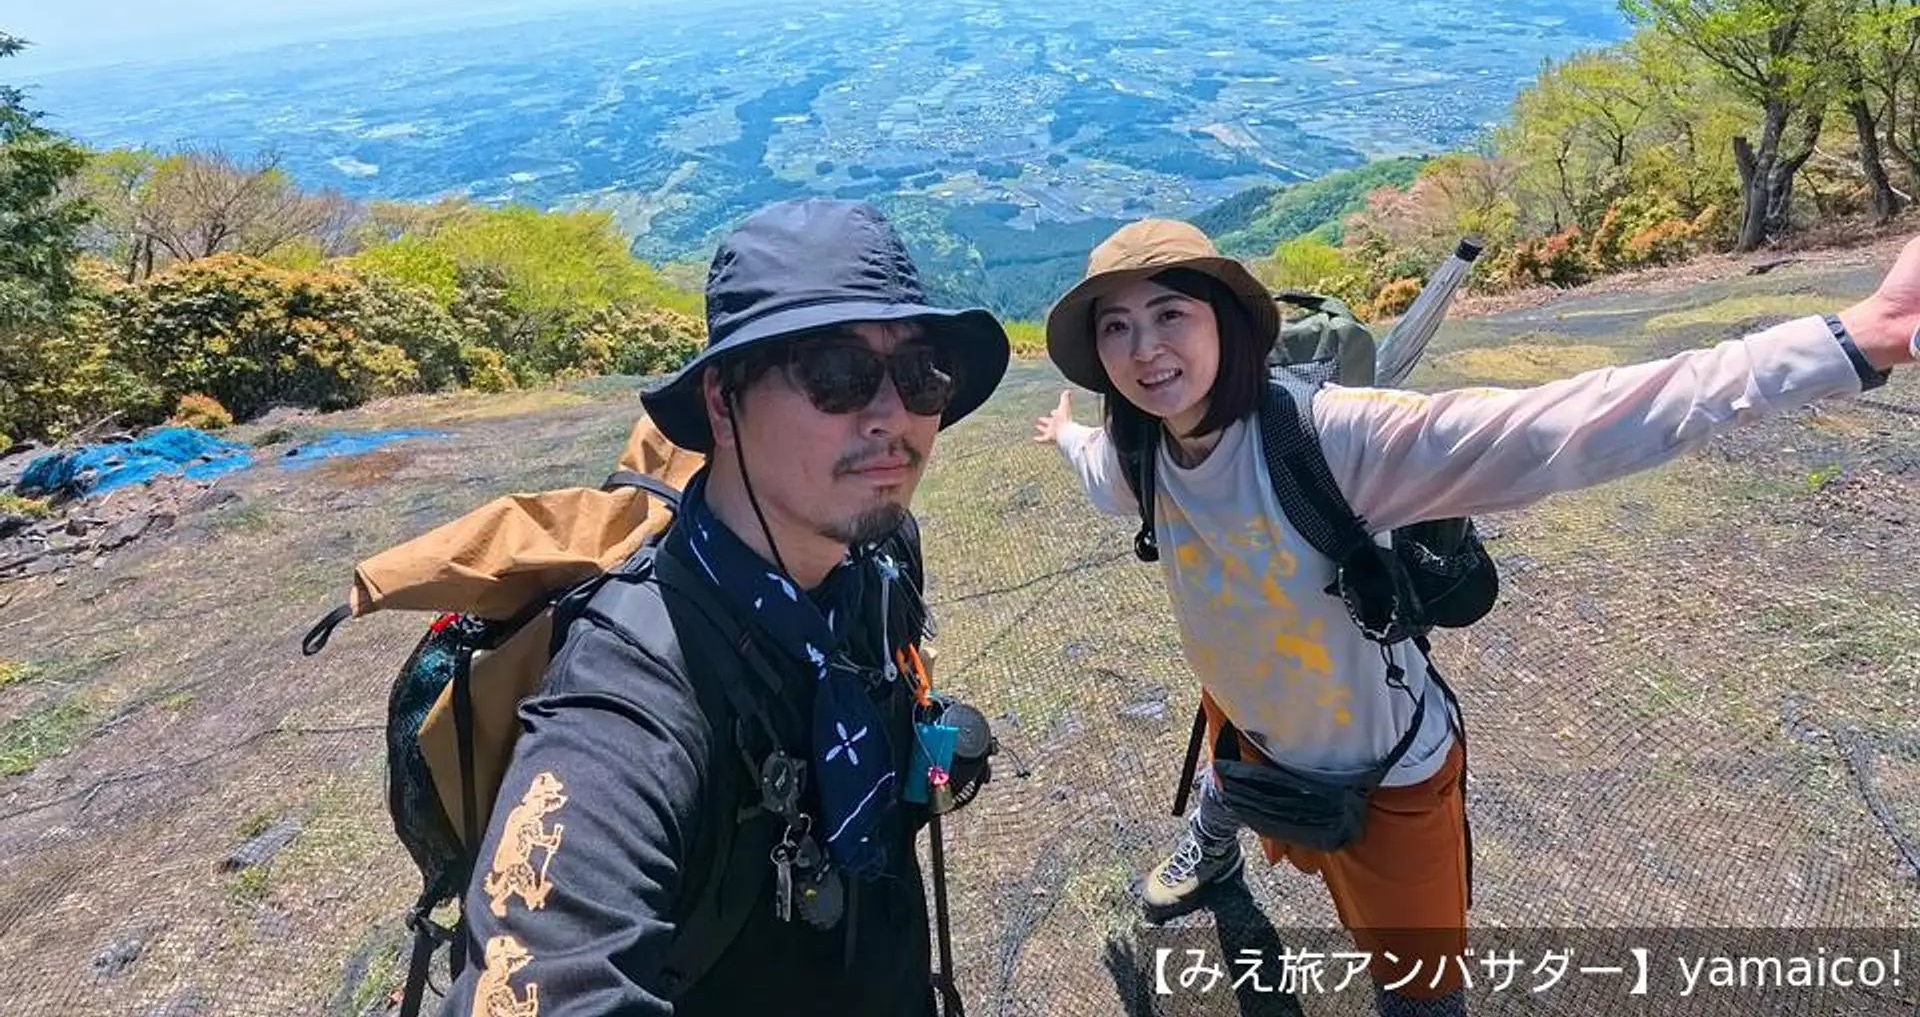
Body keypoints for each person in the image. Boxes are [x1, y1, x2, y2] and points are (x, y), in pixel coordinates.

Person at [1033, 216, 1920, 1017]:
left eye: (1170, 314)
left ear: (1228, 321)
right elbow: (1092, 463)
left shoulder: (1330, 439)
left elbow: (1556, 425)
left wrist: (1849, 341)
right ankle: (1213, 852)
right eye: (1117, 326)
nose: (1144, 349)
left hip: (1383, 770)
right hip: (1244, 713)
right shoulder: (1138, 456)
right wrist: (1064, 434)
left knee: (1420, 986)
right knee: (1226, 775)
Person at [435, 197, 1010, 1017]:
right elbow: (549, 973)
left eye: (923, 374)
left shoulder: (879, 557)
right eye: (836, 372)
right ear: (721, 402)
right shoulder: (627, 697)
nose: (892, 417)